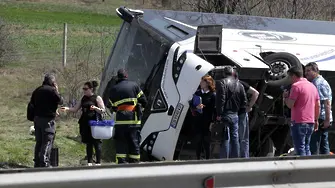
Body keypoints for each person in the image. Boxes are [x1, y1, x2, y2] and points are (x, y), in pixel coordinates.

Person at [61, 81, 106, 166]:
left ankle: (98, 162)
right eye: (83, 89)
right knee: (88, 143)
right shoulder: (83, 98)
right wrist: (67, 109)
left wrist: (95, 108)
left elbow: (103, 110)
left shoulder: (97, 98)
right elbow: (75, 109)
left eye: (86, 89)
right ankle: (89, 161)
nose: (84, 91)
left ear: (91, 89)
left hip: (95, 124)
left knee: (96, 142)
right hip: (85, 123)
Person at [109, 69, 148, 164]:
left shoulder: (113, 89)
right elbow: (144, 101)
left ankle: (121, 163)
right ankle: (134, 163)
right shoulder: (134, 85)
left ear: (118, 77)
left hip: (120, 122)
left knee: (120, 143)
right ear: (126, 76)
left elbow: (113, 107)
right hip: (133, 121)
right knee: (134, 142)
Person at [283, 66, 320, 156]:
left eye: (289, 77)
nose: (289, 79)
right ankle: (309, 167)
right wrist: (316, 120)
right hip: (310, 121)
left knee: (300, 148)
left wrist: (285, 97)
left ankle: (303, 168)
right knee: (307, 147)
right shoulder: (312, 86)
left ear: (293, 76)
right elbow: (318, 105)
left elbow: (290, 105)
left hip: (298, 121)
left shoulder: (295, 86)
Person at [29, 74, 63, 167]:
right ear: (52, 82)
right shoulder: (52, 91)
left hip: (37, 119)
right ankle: (44, 162)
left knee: (39, 141)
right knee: (48, 140)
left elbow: (32, 103)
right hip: (47, 119)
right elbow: (60, 101)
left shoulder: (37, 90)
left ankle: (37, 162)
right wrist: (57, 90)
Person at [215, 66, 247, 159]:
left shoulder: (221, 82)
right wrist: (240, 112)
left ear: (224, 73)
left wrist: (219, 114)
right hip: (235, 114)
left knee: (225, 137)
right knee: (235, 138)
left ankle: (224, 159)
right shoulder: (239, 84)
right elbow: (244, 101)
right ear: (233, 73)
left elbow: (221, 99)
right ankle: (235, 158)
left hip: (225, 113)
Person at [305, 62, 333, 155]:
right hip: (320, 118)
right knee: (323, 144)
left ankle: (315, 165)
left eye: (309, 70)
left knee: (314, 144)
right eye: (305, 71)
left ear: (315, 71)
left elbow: (326, 102)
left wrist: (327, 120)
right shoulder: (315, 82)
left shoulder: (319, 83)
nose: (306, 73)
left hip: (321, 118)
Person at [190, 75, 216, 160]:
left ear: (207, 83)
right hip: (198, 120)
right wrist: (196, 107)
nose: (200, 83)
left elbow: (214, 109)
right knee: (198, 140)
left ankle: (208, 158)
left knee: (206, 141)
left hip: (207, 120)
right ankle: (198, 158)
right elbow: (191, 105)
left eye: (202, 82)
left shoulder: (212, 95)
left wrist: (213, 121)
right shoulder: (197, 93)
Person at [235, 72, 259, 158]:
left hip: (237, 113)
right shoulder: (242, 84)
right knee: (243, 137)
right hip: (241, 113)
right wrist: (249, 106)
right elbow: (255, 93)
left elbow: (256, 93)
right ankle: (244, 157)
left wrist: (249, 106)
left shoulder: (230, 84)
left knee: (238, 137)